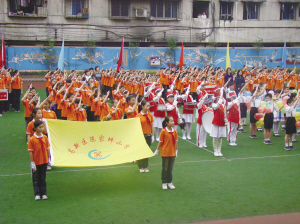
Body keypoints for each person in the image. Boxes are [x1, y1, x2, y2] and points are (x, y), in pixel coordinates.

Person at [28, 120, 51, 200]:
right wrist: (32, 162)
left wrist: (48, 158)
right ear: (35, 128)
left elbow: (47, 148)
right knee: (36, 178)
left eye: (42, 127)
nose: (41, 129)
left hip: (44, 161)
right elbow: (31, 151)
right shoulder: (32, 139)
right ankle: (37, 193)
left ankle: (43, 193)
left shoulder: (45, 137)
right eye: (40, 127)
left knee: (42, 178)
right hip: (36, 161)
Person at [153, 116, 178, 190]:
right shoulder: (163, 131)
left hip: (172, 153)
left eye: (173, 121)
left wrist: (176, 151)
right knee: (165, 168)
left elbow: (175, 142)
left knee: (170, 169)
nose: (173, 122)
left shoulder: (174, 131)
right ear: (166, 123)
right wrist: (157, 150)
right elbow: (160, 142)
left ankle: (169, 182)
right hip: (165, 153)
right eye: (171, 121)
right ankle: (164, 182)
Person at [136, 100, 154, 173]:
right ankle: (140, 166)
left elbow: (152, 126)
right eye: (147, 106)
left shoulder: (150, 115)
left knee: (146, 151)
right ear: (142, 106)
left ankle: (145, 166)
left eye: (149, 106)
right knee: (140, 151)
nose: (148, 107)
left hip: (148, 136)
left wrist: (152, 136)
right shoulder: (138, 116)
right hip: (141, 136)